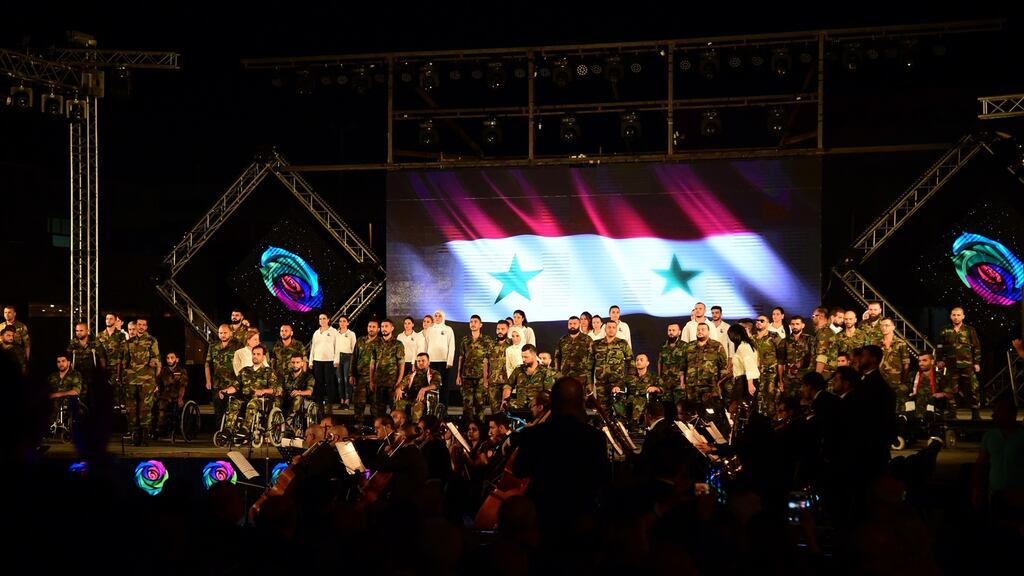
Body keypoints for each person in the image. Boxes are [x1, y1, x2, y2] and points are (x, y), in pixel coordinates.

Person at [512, 377, 609, 567]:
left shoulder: (533, 435)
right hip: (579, 521)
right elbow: (601, 479)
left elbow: (519, 470)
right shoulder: (594, 438)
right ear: (580, 403)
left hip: (542, 520)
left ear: (553, 403)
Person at [973, 396, 1024, 510]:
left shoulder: (1022, 437)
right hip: (996, 495)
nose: (993, 416)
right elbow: (981, 464)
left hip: (1020, 496)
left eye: (998, 412)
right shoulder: (990, 436)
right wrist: (978, 491)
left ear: (1011, 414)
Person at [936, 306, 982, 419]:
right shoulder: (945, 330)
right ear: (950, 316)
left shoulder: (970, 330)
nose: (956, 317)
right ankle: (952, 411)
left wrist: (977, 362)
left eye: (958, 315)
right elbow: (940, 347)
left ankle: (975, 412)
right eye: (954, 315)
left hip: (967, 365)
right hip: (951, 365)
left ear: (963, 316)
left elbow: (976, 347)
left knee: (973, 388)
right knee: (950, 389)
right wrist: (940, 360)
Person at [123, 318, 161, 443]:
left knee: (145, 407)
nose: (141, 327)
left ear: (146, 327)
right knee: (131, 408)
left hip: (147, 379)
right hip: (131, 379)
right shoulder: (129, 342)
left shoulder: (152, 340)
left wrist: (154, 370)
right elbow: (125, 361)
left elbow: (156, 358)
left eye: (143, 325)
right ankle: (135, 433)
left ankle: (145, 433)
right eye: (139, 324)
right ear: (136, 326)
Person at [457, 314, 492, 420]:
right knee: (467, 405)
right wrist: (458, 375)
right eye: (471, 322)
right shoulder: (465, 340)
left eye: (475, 321)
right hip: (466, 376)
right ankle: (467, 430)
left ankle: (480, 429)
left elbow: (488, 360)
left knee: (480, 405)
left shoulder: (486, 340)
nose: (473, 324)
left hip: (481, 377)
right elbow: (461, 358)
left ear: (481, 324)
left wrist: (486, 379)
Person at [206, 324, 240, 420]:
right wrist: (208, 380)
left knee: (231, 412)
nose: (223, 335)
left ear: (230, 333)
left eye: (225, 333)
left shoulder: (238, 345)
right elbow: (207, 364)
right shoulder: (213, 346)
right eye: (221, 333)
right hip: (217, 384)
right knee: (218, 412)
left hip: (233, 384)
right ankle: (219, 433)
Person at [153, 351, 188, 437]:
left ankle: (160, 429)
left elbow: (182, 386)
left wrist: (180, 399)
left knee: (162, 404)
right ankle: (152, 428)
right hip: (164, 394)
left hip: (175, 394)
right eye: (168, 358)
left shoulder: (181, 371)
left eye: (172, 358)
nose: (169, 360)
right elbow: (158, 382)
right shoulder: (164, 371)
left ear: (177, 359)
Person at [309, 313, 341, 406]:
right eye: (320, 319)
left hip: (329, 361)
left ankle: (330, 402)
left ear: (328, 320)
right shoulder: (316, 333)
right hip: (317, 361)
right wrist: (311, 361)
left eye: (324, 318)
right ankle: (319, 402)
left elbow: (337, 347)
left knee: (329, 382)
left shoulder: (334, 331)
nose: (322, 320)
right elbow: (313, 347)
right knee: (319, 383)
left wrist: (336, 360)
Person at [334, 315, 358, 408]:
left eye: (344, 321)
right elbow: (334, 348)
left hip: (348, 357)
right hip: (338, 358)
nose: (342, 323)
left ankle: (347, 401)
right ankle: (342, 400)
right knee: (339, 381)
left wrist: (353, 361)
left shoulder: (351, 334)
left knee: (346, 380)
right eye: (340, 321)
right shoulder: (336, 334)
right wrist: (335, 360)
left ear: (347, 323)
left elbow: (354, 349)